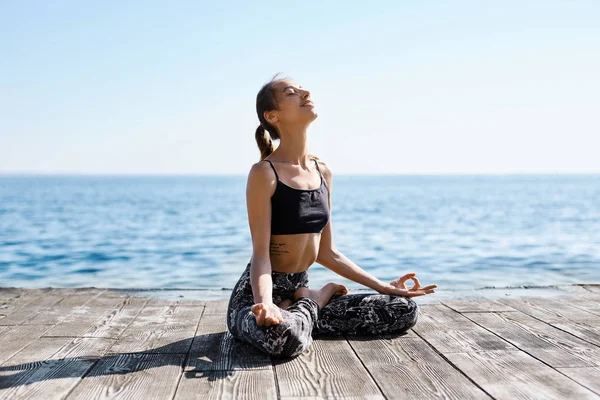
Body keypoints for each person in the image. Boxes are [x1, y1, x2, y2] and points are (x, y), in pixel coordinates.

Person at [226, 73, 437, 359]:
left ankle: (302, 308)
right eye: (291, 93)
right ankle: (315, 301)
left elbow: (328, 252)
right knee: (282, 339)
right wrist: (266, 303)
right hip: (255, 298)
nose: (304, 92)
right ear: (272, 115)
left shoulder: (322, 171)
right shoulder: (265, 173)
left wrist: (383, 286)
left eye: (302, 88)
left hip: (297, 287)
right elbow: (261, 256)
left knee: (402, 309)